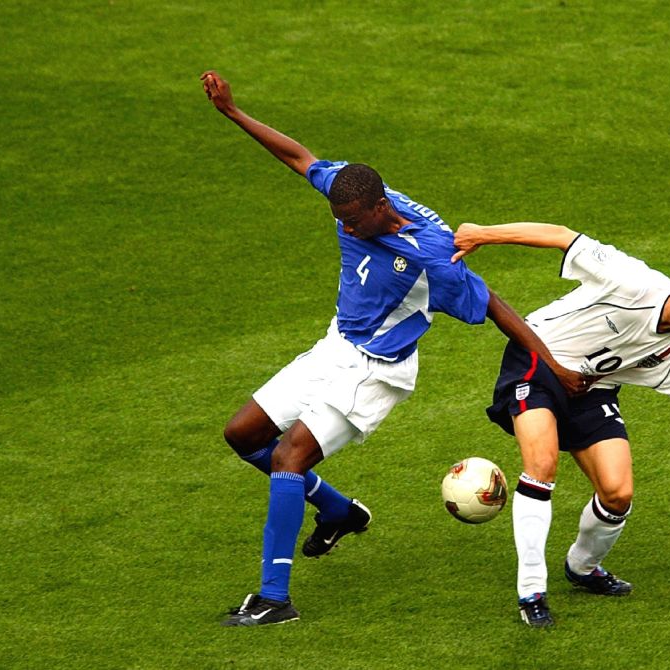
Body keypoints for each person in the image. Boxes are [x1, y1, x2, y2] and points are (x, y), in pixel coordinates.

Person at [199, 72, 585, 626]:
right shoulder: (349, 190)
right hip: (336, 346)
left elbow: (497, 305)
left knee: (289, 458)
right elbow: (300, 158)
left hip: (377, 371)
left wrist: (556, 367)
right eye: (340, 219)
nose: (346, 229)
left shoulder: (434, 254)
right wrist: (232, 113)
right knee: (243, 435)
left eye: (352, 221)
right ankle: (336, 511)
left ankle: (273, 598)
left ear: (380, 207)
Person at [451, 221, 670, 628]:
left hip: (592, 388)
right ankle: (531, 590)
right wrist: (482, 233)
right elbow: (562, 236)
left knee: (618, 493)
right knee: (542, 465)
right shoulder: (631, 281)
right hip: (536, 360)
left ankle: (582, 567)